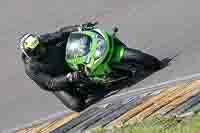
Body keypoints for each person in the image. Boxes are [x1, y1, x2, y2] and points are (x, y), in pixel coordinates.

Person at [20, 22, 163, 112]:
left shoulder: (43, 41)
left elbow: (62, 32)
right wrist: (70, 77)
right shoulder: (32, 68)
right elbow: (50, 83)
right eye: (38, 51)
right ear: (31, 54)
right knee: (77, 106)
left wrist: (79, 27)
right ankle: (90, 88)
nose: (42, 49)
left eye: (41, 46)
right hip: (59, 80)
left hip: (69, 59)